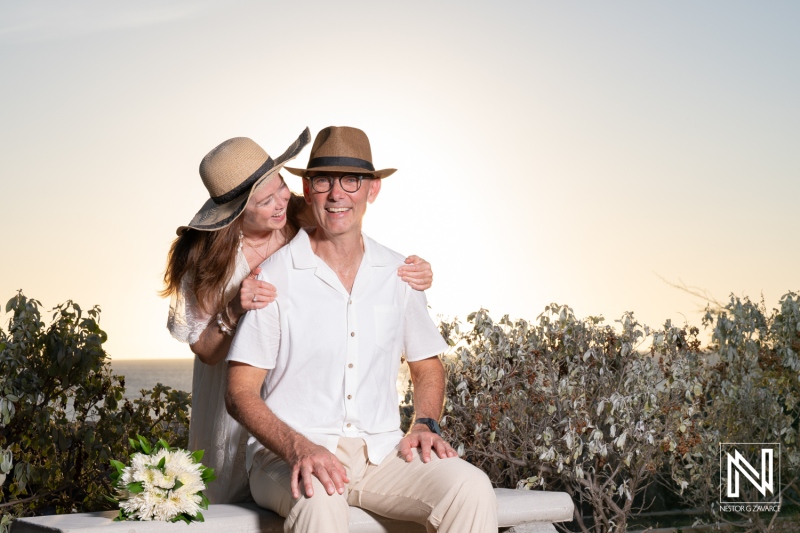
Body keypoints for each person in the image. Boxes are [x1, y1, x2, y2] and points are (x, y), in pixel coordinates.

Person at [225, 126, 498, 532]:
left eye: (351, 180)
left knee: (470, 488)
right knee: (321, 501)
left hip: (382, 455)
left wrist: (425, 422)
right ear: (307, 189)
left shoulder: (399, 273)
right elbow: (239, 392)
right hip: (286, 456)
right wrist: (298, 447)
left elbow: (427, 366)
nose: (337, 194)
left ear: (372, 189)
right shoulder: (273, 277)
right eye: (324, 181)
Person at [161, 128, 434, 504]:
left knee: (303, 489)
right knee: (235, 496)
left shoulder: (301, 214)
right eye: (265, 201)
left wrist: (414, 273)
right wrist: (235, 307)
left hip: (299, 390)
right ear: (235, 212)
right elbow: (205, 351)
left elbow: (351, 244)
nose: (280, 204)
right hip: (238, 387)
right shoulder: (206, 260)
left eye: (281, 188)